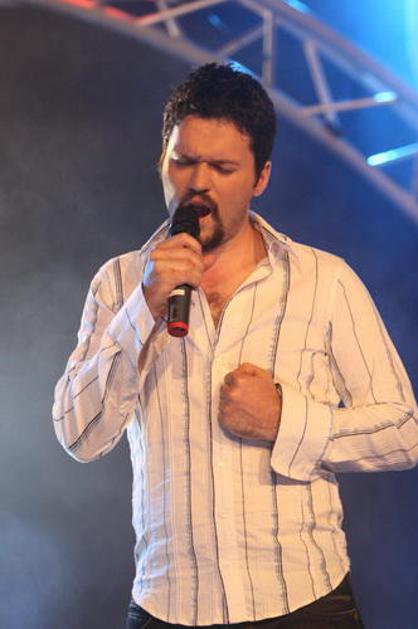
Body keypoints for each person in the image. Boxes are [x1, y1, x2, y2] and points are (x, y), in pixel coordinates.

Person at [53, 63, 418, 628]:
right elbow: (79, 435)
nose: (198, 182)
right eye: (183, 161)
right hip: (168, 607)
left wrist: (285, 420)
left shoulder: (324, 281)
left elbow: (403, 432)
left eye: (222, 168)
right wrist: (144, 306)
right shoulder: (119, 284)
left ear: (260, 177)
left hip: (303, 604)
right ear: (161, 161)